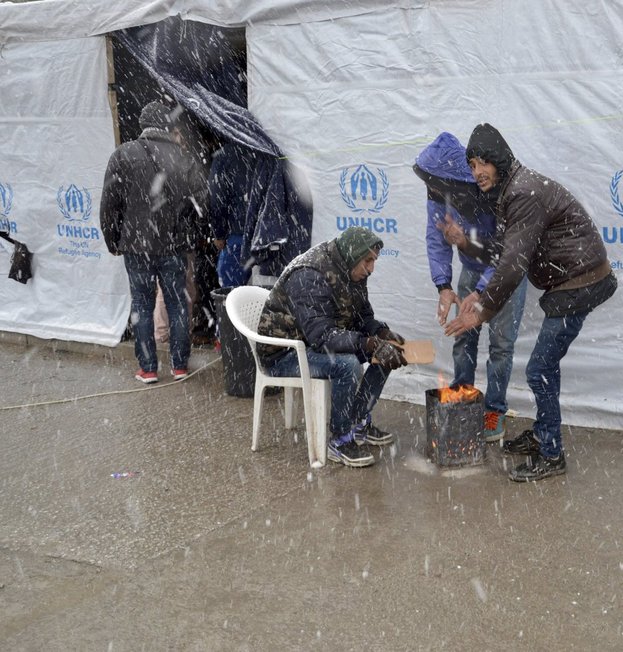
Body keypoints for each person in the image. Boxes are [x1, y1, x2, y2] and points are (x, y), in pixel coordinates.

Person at [445, 123, 618, 482]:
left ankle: (551, 452)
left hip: (579, 283)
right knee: (542, 367)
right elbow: (502, 251)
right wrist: (477, 293)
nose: (477, 172)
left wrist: (481, 312)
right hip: (570, 282)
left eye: (483, 163)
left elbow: (513, 265)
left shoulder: (522, 193)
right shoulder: (512, 190)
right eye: (472, 165)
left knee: (539, 369)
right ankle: (543, 433)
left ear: (500, 159)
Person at [256, 227, 408, 468]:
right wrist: (367, 343)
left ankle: (358, 422)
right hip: (284, 353)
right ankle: (340, 440)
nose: (371, 268)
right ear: (352, 254)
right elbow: (321, 335)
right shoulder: (309, 274)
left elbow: (362, 315)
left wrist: (381, 333)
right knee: (347, 365)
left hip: (313, 344)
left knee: (386, 353)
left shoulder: (353, 270)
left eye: (374, 261)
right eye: (368, 261)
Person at [413, 132, 527, 442]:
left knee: (501, 347)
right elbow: (436, 237)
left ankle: (494, 411)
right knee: (463, 338)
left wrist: (480, 291)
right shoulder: (437, 190)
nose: (433, 190)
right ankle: (463, 396)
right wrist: (443, 285)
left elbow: (504, 253)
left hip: (506, 276)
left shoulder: (494, 190)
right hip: (470, 271)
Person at [100, 100, 207, 384]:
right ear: (166, 125)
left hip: (136, 246)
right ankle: (180, 365)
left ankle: (148, 368)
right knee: (176, 304)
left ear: (142, 125)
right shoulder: (184, 157)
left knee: (142, 306)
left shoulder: (122, 155)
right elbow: (201, 203)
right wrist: (189, 236)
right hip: (173, 246)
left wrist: (113, 239)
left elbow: (109, 204)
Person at [209, 141, 261, 288]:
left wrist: (219, 233)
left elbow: (217, 198)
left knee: (231, 293)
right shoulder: (264, 149)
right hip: (265, 234)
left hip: (237, 234)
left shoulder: (225, 155)